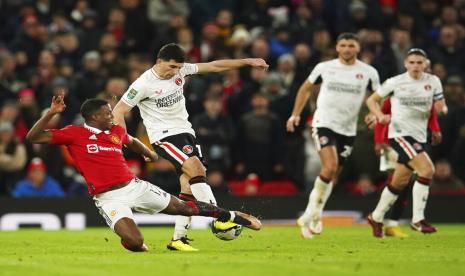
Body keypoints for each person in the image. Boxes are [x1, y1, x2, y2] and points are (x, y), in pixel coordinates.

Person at [26, 92, 261, 252]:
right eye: (108, 112)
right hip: (108, 197)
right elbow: (33, 137)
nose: (112, 115)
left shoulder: (115, 131)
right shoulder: (73, 133)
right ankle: (133, 243)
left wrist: (148, 154)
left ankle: (233, 217)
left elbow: (131, 140)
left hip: (135, 186)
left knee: (185, 207)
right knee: (135, 241)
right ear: (93, 117)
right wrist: (50, 113)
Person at [112, 43, 268, 251]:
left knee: (188, 186)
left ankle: (178, 239)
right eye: (172, 67)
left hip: (186, 132)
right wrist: (122, 142)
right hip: (164, 136)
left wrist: (247, 62)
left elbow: (214, 66)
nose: (176, 72)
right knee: (197, 170)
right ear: (159, 62)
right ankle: (222, 218)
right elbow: (119, 111)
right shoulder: (142, 84)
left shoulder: (181, 70)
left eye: (179, 68)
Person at [286, 33, 381, 239]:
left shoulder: (368, 72)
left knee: (333, 176)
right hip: (324, 123)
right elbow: (304, 89)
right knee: (329, 167)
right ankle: (312, 214)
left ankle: (315, 215)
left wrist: (375, 114)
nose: (347, 49)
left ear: (358, 48)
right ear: (337, 48)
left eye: (351, 45)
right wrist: (295, 115)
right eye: (343, 45)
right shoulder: (325, 67)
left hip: (348, 129)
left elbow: (377, 98)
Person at [365, 48, 447, 238]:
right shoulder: (395, 82)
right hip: (400, 134)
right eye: (412, 62)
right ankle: (418, 220)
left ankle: (376, 217)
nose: (416, 66)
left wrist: (441, 112)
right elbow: (372, 100)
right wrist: (379, 116)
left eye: (420, 62)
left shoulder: (433, 82)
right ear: (406, 64)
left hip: (419, 136)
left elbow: (439, 104)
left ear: (426, 64)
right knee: (427, 170)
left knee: (400, 181)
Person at [373, 96, 441, 237]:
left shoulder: (426, 92)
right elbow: (380, 116)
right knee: (399, 181)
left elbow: (431, 115)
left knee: (401, 182)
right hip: (392, 144)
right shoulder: (397, 93)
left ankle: (382, 220)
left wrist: (435, 129)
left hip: (414, 141)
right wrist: (379, 140)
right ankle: (406, 221)